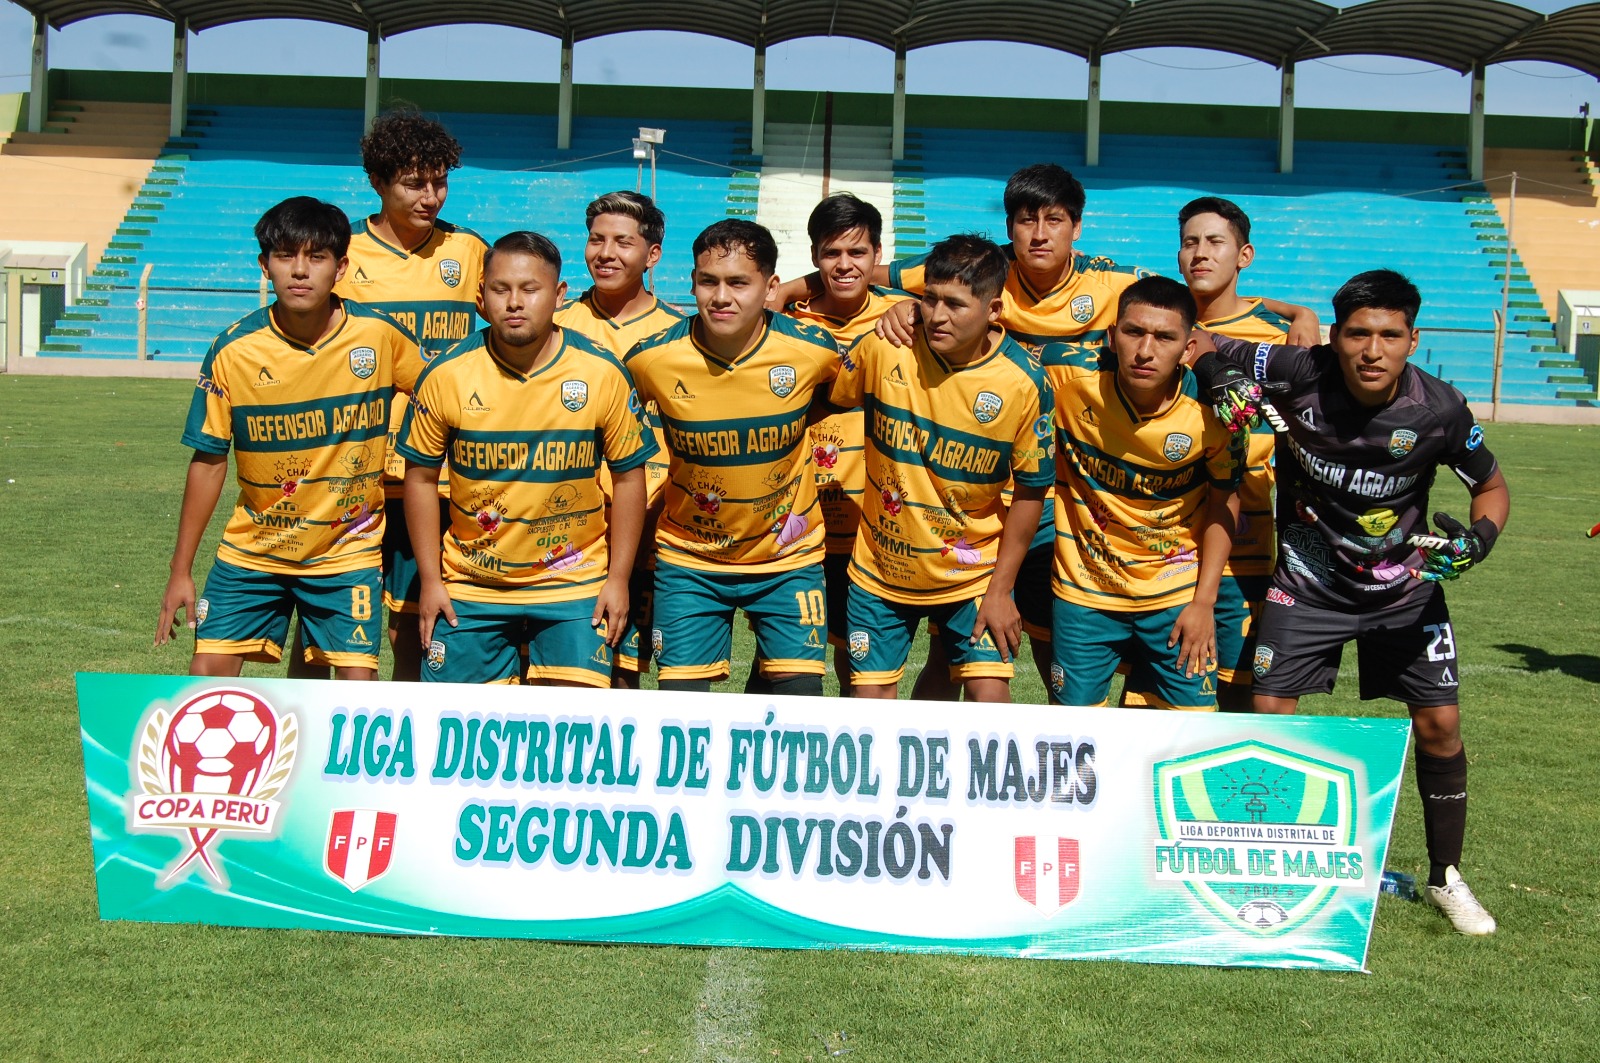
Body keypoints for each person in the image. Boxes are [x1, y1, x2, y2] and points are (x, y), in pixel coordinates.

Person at [1192, 268, 1510, 935]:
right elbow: (1196, 338)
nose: (1373, 350)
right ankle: (1266, 865)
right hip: (1307, 582)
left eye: (1390, 335)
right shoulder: (1295, 367)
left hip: (1404, 587)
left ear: (1412, 339)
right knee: (1269, 718)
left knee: (1441, 726)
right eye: (1359, 333)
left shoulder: (1441, 408)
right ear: (1336, 337)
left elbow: (1492, 488)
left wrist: (1478, 540)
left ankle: (1446, 876)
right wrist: (1218, 376)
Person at [155, 196, 422, 678]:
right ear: (265, 266)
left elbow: (436, 394)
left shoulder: (380, 336)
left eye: (316, 257)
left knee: (356, 692)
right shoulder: (232, 350)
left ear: (341, 267)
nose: (300, 271)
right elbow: (209, 459)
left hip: (347, 551)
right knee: (204, 680)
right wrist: (180, 571)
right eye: (285, 256)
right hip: (253, 548)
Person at [397, 231, 655, 686]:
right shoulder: (445, 373)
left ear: (558, 295)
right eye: (501, 289)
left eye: (530, 289)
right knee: (460, 734)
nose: (514, 302)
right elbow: (419, 480)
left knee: (575, 734)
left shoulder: (601, 371)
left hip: (575, 583)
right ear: (481, 296)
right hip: (471, 584)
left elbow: (629, 478)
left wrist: (617, 580)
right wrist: (432, 580)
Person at [827, 234, 1052, 701]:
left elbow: (1031, 492)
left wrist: (1000, 589)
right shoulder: (888, 346)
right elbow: (824, 396)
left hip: (973, 572)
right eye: (928, 299)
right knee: (867, 713)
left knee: (990, 707)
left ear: (994, 310)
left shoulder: (1025, 383)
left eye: (955, 303)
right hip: (881, 567)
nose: (937, 315)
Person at [625, 220, 841, 694]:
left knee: (797, 703)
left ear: (770, 287)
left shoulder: (814, 350)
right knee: (682, 713)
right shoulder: (649, 359)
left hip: (788, 560)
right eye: (708, 281)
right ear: (694, 284)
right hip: (689, 560)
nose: (721, 297)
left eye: (738, 282)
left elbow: (836, 398)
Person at [329, 107, 488, 681]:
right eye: (414, 182)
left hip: (442, 464)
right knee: (334, 615)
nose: (431, 196)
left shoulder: (469, 251)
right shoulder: (343, 253)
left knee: (426, 614)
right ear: (377, 181)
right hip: (361, 463)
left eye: (440, 181)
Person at [1043, 276, 1242, 711]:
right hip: (1085, 594)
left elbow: (1224, 503)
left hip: (1176, 596)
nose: (1146, 350)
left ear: (1189, 349)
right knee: (1075, 740)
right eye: (1134, 332)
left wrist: (1203, 602)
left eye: (1165, 337)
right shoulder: (1069, 387)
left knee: (1189, 732)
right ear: (1112, 337)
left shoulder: (1213, 412)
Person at [1123, 196, 1290, 712]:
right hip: (1161, 546)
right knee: (1153, 703)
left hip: (1245, 541)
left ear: (1244, 256)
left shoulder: (1280, 338)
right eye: (1190, 242)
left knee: (1242, 694)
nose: (1200, 253)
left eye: (1215, 242)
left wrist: (1296, 312)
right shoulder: (1152, 327)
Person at [747, 192, 909, 695]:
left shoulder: (907, 315)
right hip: (799, 511)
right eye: (831, 252)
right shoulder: (783, 318)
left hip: (871, 515)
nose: (844, 265)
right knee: (780, 655)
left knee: (852, 655)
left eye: (857, 253)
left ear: (878, 255)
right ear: (815, 255)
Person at [555, 191, 685, 687]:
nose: (606, 253)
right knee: (558, 676)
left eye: (622, 242)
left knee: (628, 673)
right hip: (569, 534)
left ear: (652, 254)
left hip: (652, 527)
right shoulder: (556, 325)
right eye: (596, 240)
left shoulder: (681, 333)